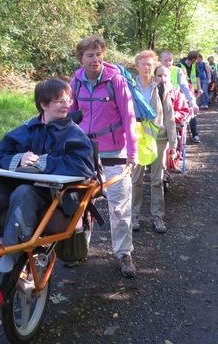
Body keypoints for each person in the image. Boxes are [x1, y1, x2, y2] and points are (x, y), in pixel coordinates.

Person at [0, 78, 95, 310]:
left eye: (68, 100)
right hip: (18, 192)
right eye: (60, 101)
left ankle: (6, 269)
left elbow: (83, 167)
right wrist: (17, 159)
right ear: (43, 104)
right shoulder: (27, 129)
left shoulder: (74, 133)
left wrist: (43, 163)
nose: (67, 104)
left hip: (53, 199)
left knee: (24, 190)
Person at [69, 36, 139, 278]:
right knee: (82, 204)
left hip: (114, 152)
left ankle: (124, 254)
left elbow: (129, 118)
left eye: (99, 54)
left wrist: (132, 153)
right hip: (85, 153)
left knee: (119, 206)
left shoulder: (115, 81)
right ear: (81, 59)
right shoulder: (75, 82)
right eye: (90, 55)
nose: (96, 59)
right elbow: (69, 117)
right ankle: (79, 249)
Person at [130, 52, 177, 233]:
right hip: (137, 138)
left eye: (150, 64)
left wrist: (172, 142)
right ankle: (134, 215)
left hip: (159, 138)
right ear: (137, 66)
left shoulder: (161, 87)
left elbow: (169, 114)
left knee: (157, 180)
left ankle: (157, 216)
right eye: (143, 64)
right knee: (136, 180)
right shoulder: (129, 86)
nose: (147, 67)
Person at [155, 65, 190, 173]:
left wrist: (171, 116)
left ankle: (168, 165)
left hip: (169, 126)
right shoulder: (149, 91)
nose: (162, 78)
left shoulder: (176, 93)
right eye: (159, 75)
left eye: (165, 75)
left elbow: (183, 111)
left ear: (170, 77)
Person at [160, 51, 200, 143]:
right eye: (165, 60)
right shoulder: (156, 71)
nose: (168, 63)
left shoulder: (177, 71)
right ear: (161, 60)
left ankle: (191, 136)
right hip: (159, 102)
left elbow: (185, 87)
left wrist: (192, 102)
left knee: (187, 114)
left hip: (174, 102)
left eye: (170, 60)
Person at [178, 50, 202, 143]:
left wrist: (199, 88)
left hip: (191, 90)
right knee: (182, 113)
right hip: (181, 93)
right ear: (194, 59)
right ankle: (179, 136)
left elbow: (197, 76)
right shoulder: (179, 65)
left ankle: (195, 135)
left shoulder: (194, 65)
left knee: (192, 114)